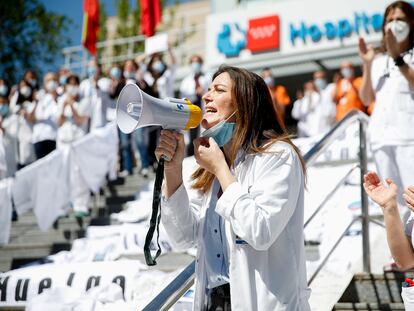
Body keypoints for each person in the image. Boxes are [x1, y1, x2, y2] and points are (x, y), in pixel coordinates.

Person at [156, 66, 311, 310]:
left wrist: (221, 170)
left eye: (218, 90)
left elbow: (259, 231)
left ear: (245, 104)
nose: (206, 97)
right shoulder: (212, 168)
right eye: (208, 90)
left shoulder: (278, 156)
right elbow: (182, 237)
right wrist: (173, 170)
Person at [359, 0, 414, 212]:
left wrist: (397, 57)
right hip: (381, 138)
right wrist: (367, 63)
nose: (394, 24)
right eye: (390, 20)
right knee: (393, 203)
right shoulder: (379, 61)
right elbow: (365, 98)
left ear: (411, 23)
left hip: (408, 139)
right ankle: (400, 244)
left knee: (411, 197)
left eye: (400, 19)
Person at [180, 54, 211, 156]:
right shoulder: (186, 81)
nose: (195, 64)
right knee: (192, 137)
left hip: (204, 110)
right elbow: (183, 98)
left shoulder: (207, 77)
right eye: (193, 62)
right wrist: (194, 93)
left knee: (205, 135)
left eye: (197, 61)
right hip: (192, 112)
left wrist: (203, 92)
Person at [29, 72, 59, 160]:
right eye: (49, 80)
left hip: (55, 138)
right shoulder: (39, 98)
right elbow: (31, 118)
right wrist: (35, 102)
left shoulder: (62, 98)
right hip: (39, 139)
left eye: (54, 80)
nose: (51, 82)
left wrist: (56, 98)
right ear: (44, 83)